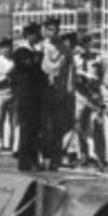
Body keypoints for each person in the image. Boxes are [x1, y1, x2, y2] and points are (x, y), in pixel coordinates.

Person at [11, 23, 47, 171]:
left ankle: (33, 160)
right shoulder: (21, 51)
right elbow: (30, 65)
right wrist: (39, 56)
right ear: (29, 35)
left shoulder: (33, 50)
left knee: (34, 129)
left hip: (34, 96)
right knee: (27, 129)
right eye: (37, 34)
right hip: (26, 95)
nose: (40, 37)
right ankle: (24, 163)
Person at [41, 20, 75, 170]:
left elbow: (70, 71)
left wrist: (69, 90)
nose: (53, 32)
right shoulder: (41, 47)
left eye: (56, 29)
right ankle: (44, 158)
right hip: (43, 93)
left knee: (58, 128)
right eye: (50, 29)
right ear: (45, 30)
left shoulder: (65, 49)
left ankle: (56, 159)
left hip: (59, 94)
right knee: (44, 128)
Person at [70, 38, 108, 168]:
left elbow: (103, 77)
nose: (83, 48)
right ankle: (83, 155)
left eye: (85, 44)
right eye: (81, 45)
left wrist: (96, 86)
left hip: (95, 96)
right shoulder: (74, 59)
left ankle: (100, 157)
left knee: (98, 126)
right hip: (80, 96)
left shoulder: (98, 59)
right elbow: (72, 76)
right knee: (79, 126)